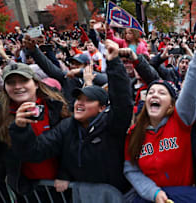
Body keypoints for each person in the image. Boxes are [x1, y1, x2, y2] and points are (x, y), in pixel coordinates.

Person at [8, 39, 133, 196]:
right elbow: (36, 151)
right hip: (83, 197)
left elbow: (122, 101)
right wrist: (20, 129)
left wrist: (114, 62)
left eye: (88, 100)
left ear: (102, 108)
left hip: (116, 196)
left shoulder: (112, 124)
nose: (80, 103)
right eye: (78, 99)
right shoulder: (67, 126)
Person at [123, 21, 196, 203]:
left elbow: (190, 89)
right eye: (151, 92)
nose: (154, 95)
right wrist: (154, 193)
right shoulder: (134, 133)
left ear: (172, 105)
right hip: (150, 199)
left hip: (182, 197)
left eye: (161, 92)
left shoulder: (180, 120)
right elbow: (131, 169)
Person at [0, 63, 70, 202]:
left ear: (36, 84)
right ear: (5, 88)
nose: (18, 86)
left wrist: (66, 173)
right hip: (27, 190)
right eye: (11, 83)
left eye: (24, 80)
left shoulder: (56, 107)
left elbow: (71, 145)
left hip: (62, 186)